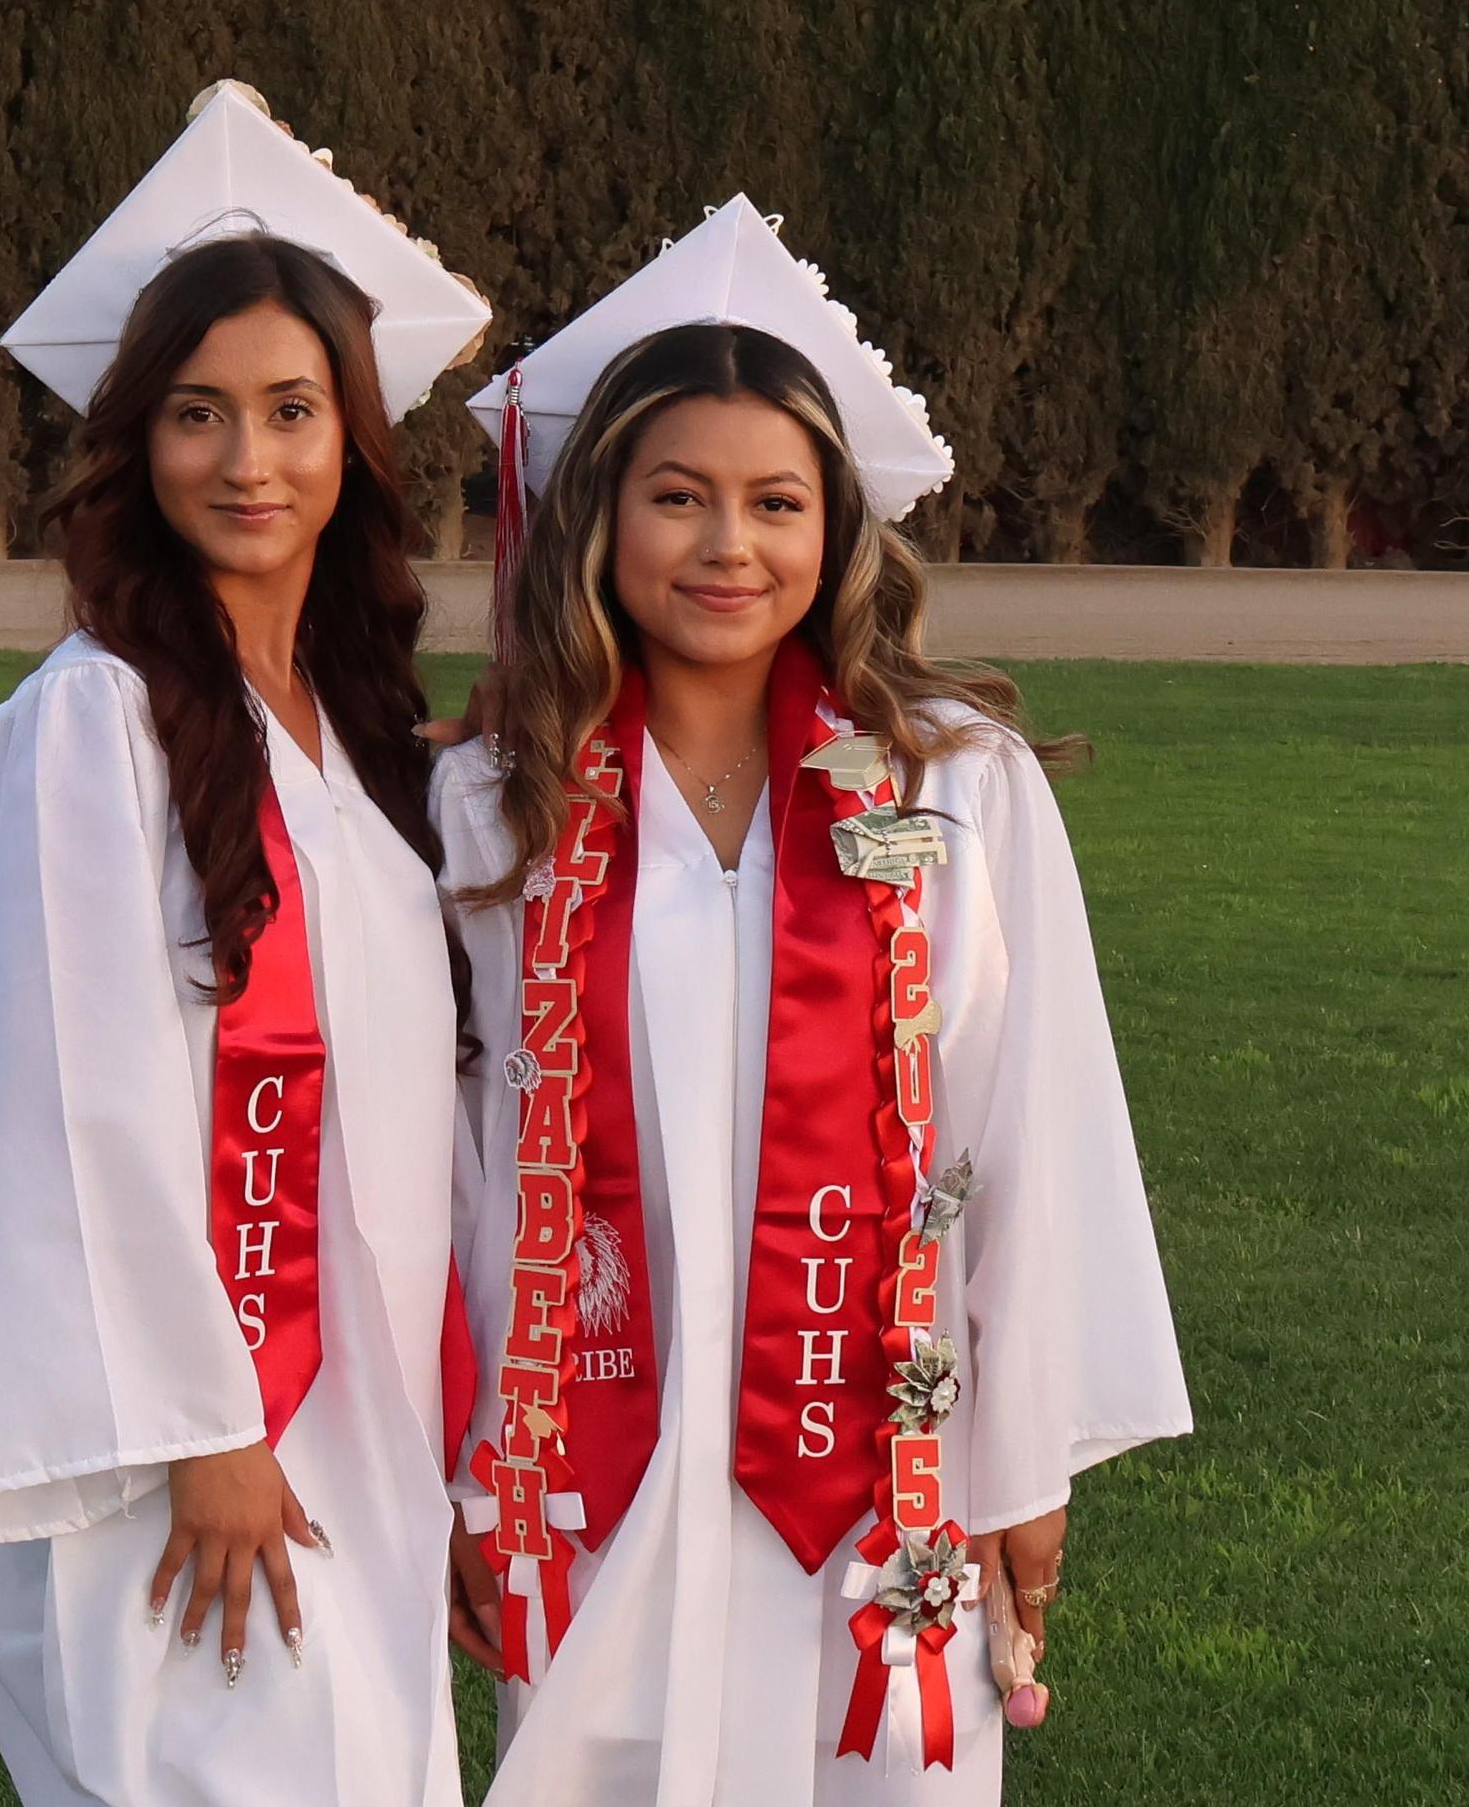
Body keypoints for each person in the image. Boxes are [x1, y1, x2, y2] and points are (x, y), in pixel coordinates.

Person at [435, 197, 1191, 1805]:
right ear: (596, 517)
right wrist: (471, 1477)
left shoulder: (952, 788)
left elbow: (1029, 1126)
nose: (730, 545)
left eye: (776, 502)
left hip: (882, 1484)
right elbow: (457, 1159)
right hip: (594, 1462)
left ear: (837, 531)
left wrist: (1024, 1456)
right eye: (678, 497)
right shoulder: (499, 808)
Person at [0, 82, 490, 1806]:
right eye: (197, 415)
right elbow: (60, 1098)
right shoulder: (94, 727)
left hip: (359, 1416)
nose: (247, 463)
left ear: (354, 438)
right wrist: (208, 1430)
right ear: (136, 444)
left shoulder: (353, 738)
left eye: (293, 411)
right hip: (186, 1436)